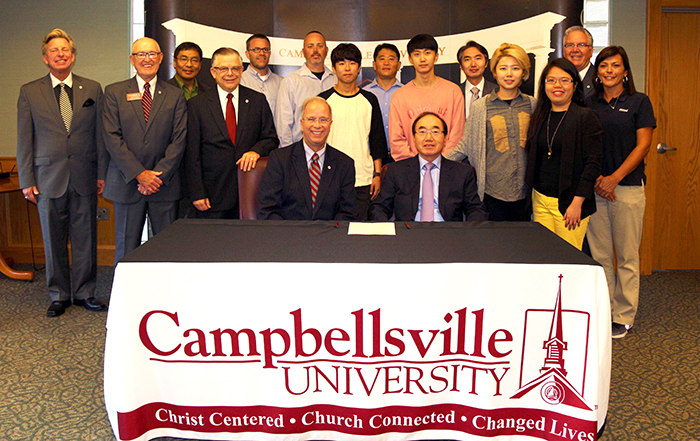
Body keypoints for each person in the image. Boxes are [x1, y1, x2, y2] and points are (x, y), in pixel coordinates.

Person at [17, 28, 107, 317]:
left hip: (84, 176)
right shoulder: (30, 91)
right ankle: (59, 295)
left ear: (73, 55)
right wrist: (26, 179)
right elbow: (24, 138)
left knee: (85, 238)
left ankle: (85, 292)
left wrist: (101, 173)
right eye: (54, 51)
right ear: (45, 58)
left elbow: (100, 136)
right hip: (46, 178)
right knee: (52, 240)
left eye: (65, 49)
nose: (60, 54)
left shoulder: (92, 88)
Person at [585, 46, 656, 339]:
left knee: (626, 256)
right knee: (600, 256)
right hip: (596, 188)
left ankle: (623, 316)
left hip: (626, 189)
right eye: (604, 66)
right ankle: (605, 310)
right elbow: (585, 145)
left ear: (625, 71)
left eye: (615, 65)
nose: (609, 71)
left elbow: (643, 145)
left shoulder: (639, 102)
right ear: (597, 72)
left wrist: (614, 178)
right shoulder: (589, 104)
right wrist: (600, 179)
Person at [103, 37, 187, 263]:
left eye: (152, 54)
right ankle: (126, 297)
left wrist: (156, 175)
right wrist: (140, 174)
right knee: (126, 247)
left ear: (161, 58)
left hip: (164, 184)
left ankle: (165, 296)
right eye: (141, 54)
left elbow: (179, 139)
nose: (147, 59)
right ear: (132, 59)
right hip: (127, 183)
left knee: (167, 249)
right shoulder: (114, 92)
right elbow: (112, 138)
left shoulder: (175, 95)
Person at [445, 43, 536, 221]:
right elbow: (465, 146)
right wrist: (432, 163)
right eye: (503, 68)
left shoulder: (533, 105)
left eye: (515, 68)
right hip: (491, 193)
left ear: (523, 72)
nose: (509, 74)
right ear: (494, 71)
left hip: (526, 193)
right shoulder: (481, 107)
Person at [186, 47, 278, 219]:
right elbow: (192, 154)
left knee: (247, 244)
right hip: (212, 194)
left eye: (235, 68)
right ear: (213, 72)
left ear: (242, 70)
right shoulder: (197, 105)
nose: (230, 73)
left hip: (250, 192)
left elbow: (271, 139)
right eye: (223, 69)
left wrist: (255, 151)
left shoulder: (257, 100)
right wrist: (197, 192)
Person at [524, 58, 603, 249]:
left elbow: (593, 163)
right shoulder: (540, 115)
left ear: (575, 85)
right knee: (545, 257)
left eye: (564, 80)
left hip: (570, 203)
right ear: (544, 85)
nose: (557, 85)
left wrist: (577, 203)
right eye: (551, 80)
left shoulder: (585, 117)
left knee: (568, 262)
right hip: (540, 200)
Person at [370, 112, 487, 222]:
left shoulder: (463, 173)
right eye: (422, 132)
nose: (429, 137)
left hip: (448, 234)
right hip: (408, 234)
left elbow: (476, 209)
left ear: (445, 138)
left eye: (435, 132)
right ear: (414, 138)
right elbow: (379, 207)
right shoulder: (396, 171)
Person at [257, 97, 356, 220]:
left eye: (323, 120)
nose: (317, 125)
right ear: (302, 124)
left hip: (329, 236)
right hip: (288, 235)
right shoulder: (279, 159)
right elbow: (267, 209)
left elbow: (347, 212)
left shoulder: (345, 164)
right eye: (311, 119)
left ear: (330, 125)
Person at [319, 43, 387, 220]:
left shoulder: (369, 99)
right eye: (341, 63)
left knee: (357, 232)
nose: (347, 68)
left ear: (358, 67)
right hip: (328, 178)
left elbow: (377, 140)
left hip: (362, 179)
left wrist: (377, 174)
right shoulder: (323, 100)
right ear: (333, 68)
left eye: (352, 63)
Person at [389, 34, 464, 161]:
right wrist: (415, 165)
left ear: (436, 57)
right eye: (417, 54)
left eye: (427, 53)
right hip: (411, 170)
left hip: (447, 168)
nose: (422, 59)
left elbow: (457, 135)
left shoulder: (453, 92)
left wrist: (441, 163)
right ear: (410, 59)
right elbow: (396, 140)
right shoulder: (400, 96)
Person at [275, 31, 336, 147]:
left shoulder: (336, 80)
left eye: (320, 46)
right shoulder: (290, 82)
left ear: (327, 51)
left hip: (332, 153)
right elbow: (284, 125)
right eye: (310, 46)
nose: (315, 50)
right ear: (303, 52)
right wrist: (289, 155)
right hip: (300, 153)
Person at [363, 43, 403, 164]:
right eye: (382, 59)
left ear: (398, 65)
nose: (386, 63)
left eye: (391, 59)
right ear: (374, 65)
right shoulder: (364, 94)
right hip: (371, 157)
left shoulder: (407, 92)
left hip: (401, 157)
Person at [240, 34, 283, 119]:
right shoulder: (239, 81)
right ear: (247, 54)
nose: (262, 53)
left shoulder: (282, 82)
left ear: (269, 53)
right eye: (256, 49)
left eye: (265, 49)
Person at [457, 41, 496, 119]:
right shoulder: (455, 92)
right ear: (461, 66)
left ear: (486, 63)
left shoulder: (496, 92)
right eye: (467, 59)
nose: (473, 64)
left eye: (478, 58)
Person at [563, 26, 595, 98]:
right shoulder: (555, 81)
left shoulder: (601, 80)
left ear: (591, 50)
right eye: (570, 45)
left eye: (581, 45)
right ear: (563, 51)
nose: (575, 50)